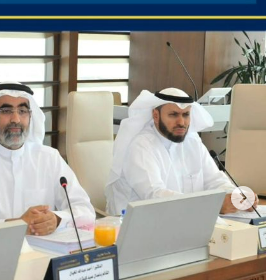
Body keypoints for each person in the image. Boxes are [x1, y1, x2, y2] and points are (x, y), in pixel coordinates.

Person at [0, 82, 95, 235]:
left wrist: (57, 219)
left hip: (43, 248)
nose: (16, 119)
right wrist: (15, 226)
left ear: (30, 116)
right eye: (6, 111)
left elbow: (85, 210)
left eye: (22, 111)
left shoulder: (49, 158)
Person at [105, 88, 258, 216]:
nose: (181, 122)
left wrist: (235, 196)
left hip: (186, 221)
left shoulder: (192, 142)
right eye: (173, 115)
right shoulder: (140, 146)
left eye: (185, 115)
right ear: (156, 116)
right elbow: (154, 196)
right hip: (142, 225)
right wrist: (214, 205)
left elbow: (214, 180)